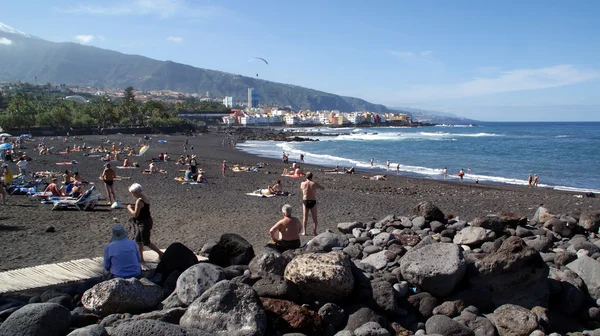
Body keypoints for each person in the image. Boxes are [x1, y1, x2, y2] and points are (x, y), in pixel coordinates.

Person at [127, 183, 163, 261]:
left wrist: (129, 208)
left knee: (146, 242)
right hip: (146, 221)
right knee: (138, 240)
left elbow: (135, 214)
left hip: (144, 223)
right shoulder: (144, 198)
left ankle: (160, 253)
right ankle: (141, 258)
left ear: (136, 192)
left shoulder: (139, 201)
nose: (132, 195)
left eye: (133, 193)